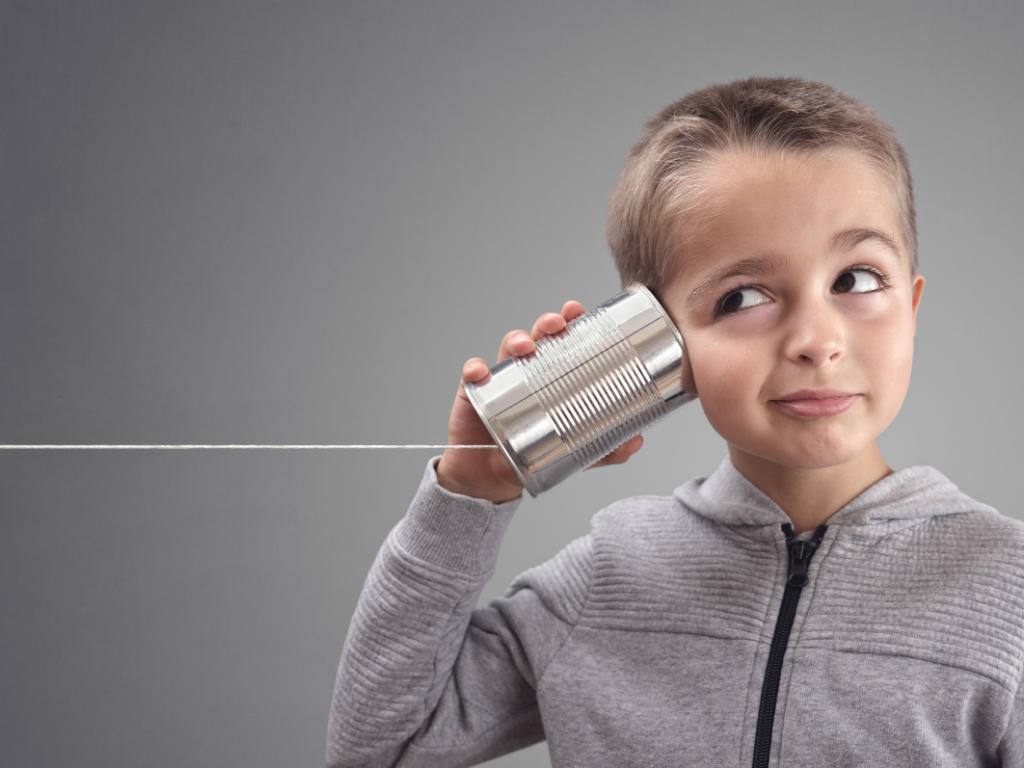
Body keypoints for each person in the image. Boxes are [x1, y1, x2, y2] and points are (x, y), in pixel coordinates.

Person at [328, 77, 1024, 767]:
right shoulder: (608, 574)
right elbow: (380, 746)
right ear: (655, 338)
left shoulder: (1007, 589)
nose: (817, 339)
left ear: (911, 304)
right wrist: (469, 491)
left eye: (858, 279)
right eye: (744, 296)